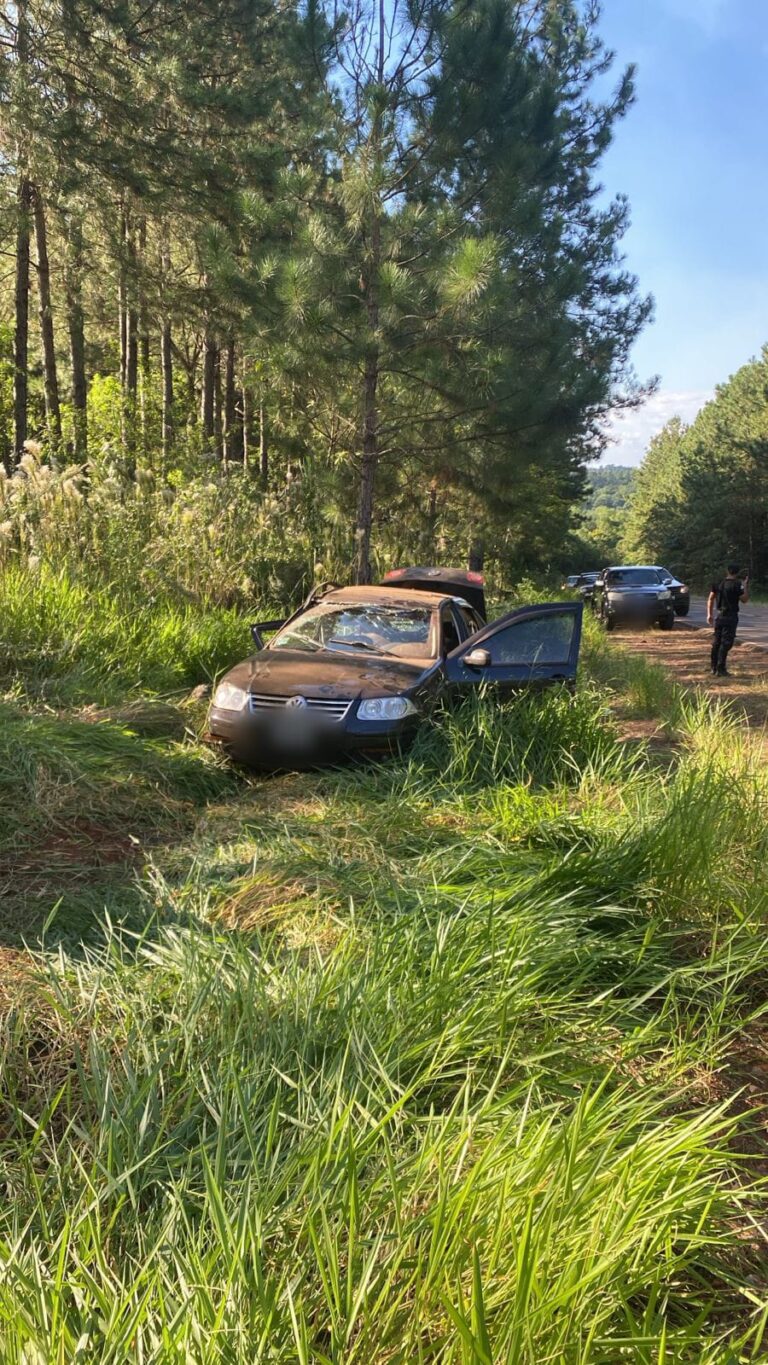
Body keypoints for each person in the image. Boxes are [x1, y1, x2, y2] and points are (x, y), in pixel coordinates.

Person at [707, 564, 749, 676]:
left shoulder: (718, 584)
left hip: (719, 616)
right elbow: (744, 599)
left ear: (727, 571)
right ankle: (721, 669)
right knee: (726, 643)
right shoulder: (737, 584)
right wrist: (745, 586)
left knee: (716, 643)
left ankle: (713, 667)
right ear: (737, 573)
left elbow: (711, 598)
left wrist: (709, 614)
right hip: (731, 617)